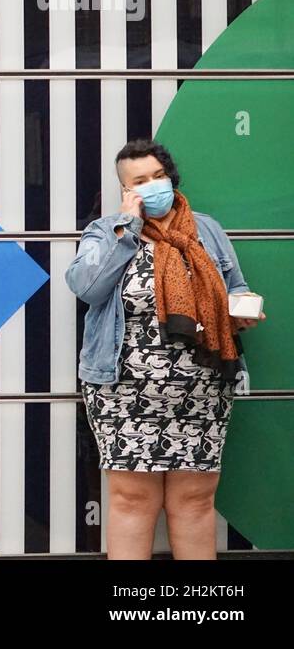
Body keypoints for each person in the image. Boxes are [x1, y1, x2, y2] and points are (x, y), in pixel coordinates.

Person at [65, 138, 265, 559]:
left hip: (202, 391)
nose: (153, 186)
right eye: (140, 181)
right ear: (125, 191)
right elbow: (88, 287)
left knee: (194, 501)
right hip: (124, 392)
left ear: (171, 178)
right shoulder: (106, 231)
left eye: (158, 176)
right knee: (131, 500)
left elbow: (236, 287)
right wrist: (127, 228)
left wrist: (241, 311)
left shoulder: (205, 229)